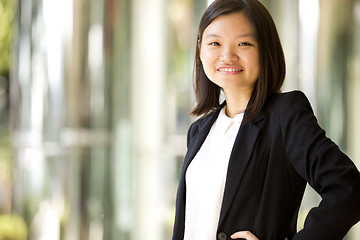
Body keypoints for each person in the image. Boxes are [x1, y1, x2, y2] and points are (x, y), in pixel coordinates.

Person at [172, 0, 360, 239]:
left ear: (266, 50)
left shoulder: (285, 115)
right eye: (215, 43)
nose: (227, 55)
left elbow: (348, 189)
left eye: (244, 43)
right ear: (200, 49)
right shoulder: (199, 131)